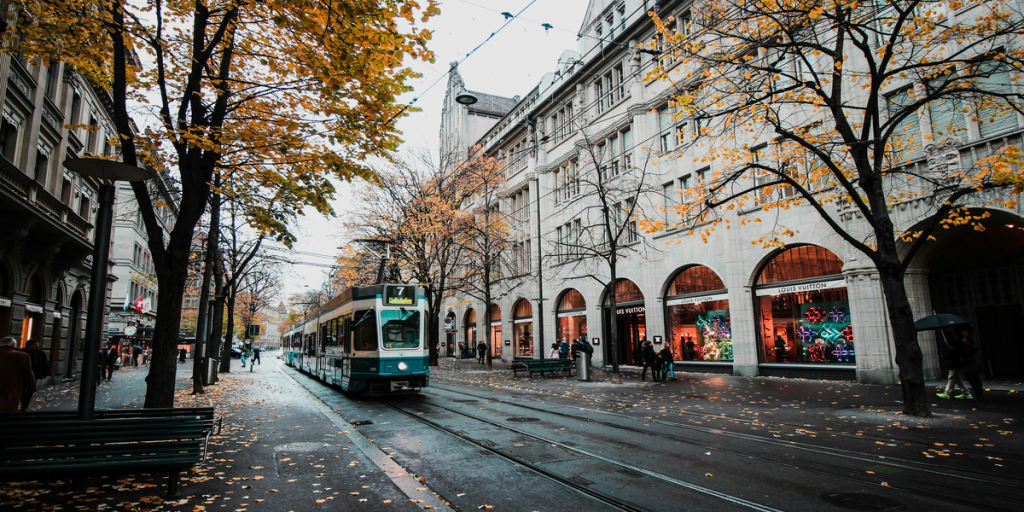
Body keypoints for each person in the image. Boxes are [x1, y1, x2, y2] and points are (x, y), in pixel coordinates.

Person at [0, 337, 36, 412]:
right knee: (9, 406)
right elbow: (28, 373)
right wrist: (31, 388)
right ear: (14, 345)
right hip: (12, 385)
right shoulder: (21, 355)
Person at [937, 331, 969, 399]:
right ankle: (966, 392)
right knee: (957, 378)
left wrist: (951, 349)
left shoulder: (954, 343)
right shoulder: (950, 342)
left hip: (954, 363)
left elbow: (957, 352)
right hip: (952, 362)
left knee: (951, 377)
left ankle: (947, 392)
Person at [957, 327, 985, 402]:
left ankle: (979, 395)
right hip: (967, 362)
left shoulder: (971, 339)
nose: (963, 333)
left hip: (973, 361)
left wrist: (965, 343)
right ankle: (978, 394)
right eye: (962, 332)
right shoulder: (961, 340)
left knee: (974, 378)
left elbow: (974, 348)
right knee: (972, 378)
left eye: (964, 331)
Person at [20, 340, 49, 410]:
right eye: (35, 345)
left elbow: (44, 363)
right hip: (22, 374)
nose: (37, 346)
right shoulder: (21, 352)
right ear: (29, 345)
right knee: (21, 388)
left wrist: (44, 373)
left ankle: (25, 405)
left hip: (34, 374)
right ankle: (22, 400)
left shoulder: (39, 353)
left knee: (30, 389)